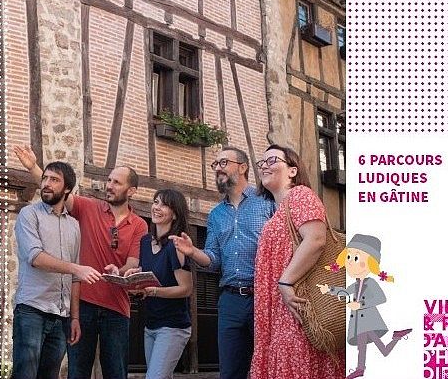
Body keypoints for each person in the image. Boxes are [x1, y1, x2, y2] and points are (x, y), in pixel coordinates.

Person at [14, 145, 148, 379]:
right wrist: (33, 167)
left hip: (117, 307)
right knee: (77, 372)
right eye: (109, 180)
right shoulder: (89, 208)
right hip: (83, 303)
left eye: (117, 182)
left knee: (116, 373)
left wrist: (120, 271)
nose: (109, 186)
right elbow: (57, 190)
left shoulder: (139, 224)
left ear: (132, 191)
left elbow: (133, 262)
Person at [171, 146, 275, 379]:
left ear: (243, 167)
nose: (218, 168)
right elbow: (213, 260)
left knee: (268, 369)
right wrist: (193, 251)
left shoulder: (267, 202)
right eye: (215, 164)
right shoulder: (216, 214)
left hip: (265, 296)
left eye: (223, 163)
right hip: (230, 301)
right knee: (229, 372)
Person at [250, 144, 345, 379]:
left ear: (293, 171)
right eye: (262, 163)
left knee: (299, 360)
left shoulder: (300, 194)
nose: (264, 166)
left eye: (272, 160)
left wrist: (285, 282)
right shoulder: (279, 209)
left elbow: (316, 239)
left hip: (296, 302)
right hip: (282, 308)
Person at [12, 161, 102, 379]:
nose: (47, 183)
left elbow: (75, 278)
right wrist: (76, 268)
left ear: (67, 188)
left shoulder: (74, 226)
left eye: (54, 180)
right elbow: (35, 257)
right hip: (31, 310)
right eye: (45, 178)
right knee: (25, 375)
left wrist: (75, 318)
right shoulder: (29, 214)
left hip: (60, 317)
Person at [319, 234, 412, 379]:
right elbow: (345, 291)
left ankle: (361, 368)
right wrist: (329, 289)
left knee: (378, 350)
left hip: (369, 321)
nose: (350, 262)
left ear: (371, 264)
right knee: (376, 348)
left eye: (356, 258)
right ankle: (363, 366)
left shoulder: (371, 283)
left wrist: (360, 304)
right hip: (359, 322)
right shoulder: (356, 284)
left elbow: (381, 298)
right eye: (348, 257)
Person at [125, 189, 193, 379]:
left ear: (175, 214)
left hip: (173, 327)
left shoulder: (176, 245)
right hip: (150, 324)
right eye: (155, 202)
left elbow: (186, 288)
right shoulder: (145, 241)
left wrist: (154, 291)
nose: (157, 207)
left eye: (164, 205)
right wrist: (136, 274)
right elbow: (151, 269)